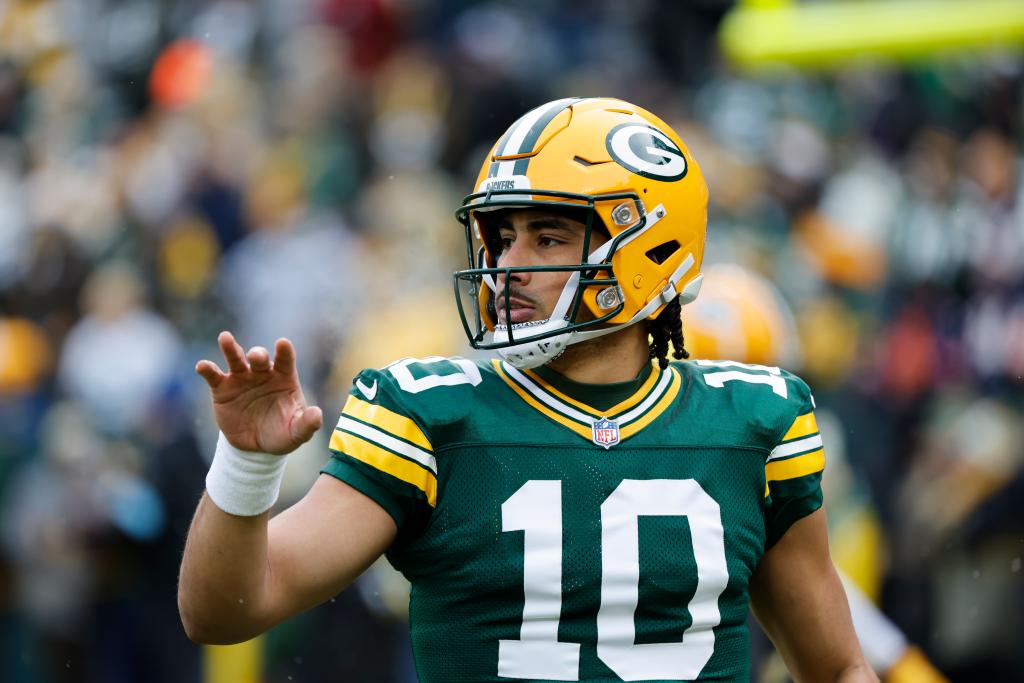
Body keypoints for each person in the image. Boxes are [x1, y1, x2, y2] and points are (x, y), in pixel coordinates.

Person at [178, 97, 877, 682]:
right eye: (501, 236)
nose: (508, 265)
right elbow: (225, 610)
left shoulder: (752, 418)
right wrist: (246, 464)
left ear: (647, 246)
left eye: (546, 238)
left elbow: (838, 667)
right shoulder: (427, 411)